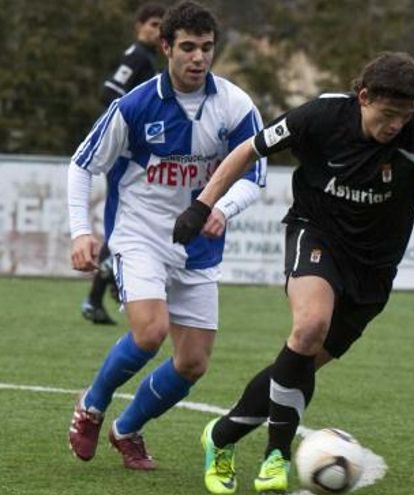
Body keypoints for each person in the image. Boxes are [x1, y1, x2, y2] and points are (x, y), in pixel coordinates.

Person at [172, 52, 414, 494]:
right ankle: (276, 456)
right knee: (308, 328)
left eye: (406, 115)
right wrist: (202, 204)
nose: (396, 125)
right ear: (363, 97)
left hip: (374, 272)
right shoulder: (322, 117)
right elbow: (249, 149)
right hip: (317, 233)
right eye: (388, 114)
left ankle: (221, 436)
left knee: (299, 365)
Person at [67, 1, 266, 471]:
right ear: (166, 47)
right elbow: (81, 165)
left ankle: (127, 429)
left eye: (207, 48)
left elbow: (254, 175)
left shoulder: (235, 106)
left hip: (197, 244)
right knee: (151, 331)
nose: (199, 58)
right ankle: (92, 405)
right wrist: (81, 232)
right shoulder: (135, 106)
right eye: (189, 48)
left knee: (193, 363)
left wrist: (223, 206)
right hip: (139, 234)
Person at [81, 2, 165, 325]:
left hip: (134, 154)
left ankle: (104, 293)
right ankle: (109, 289)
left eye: (161, 26)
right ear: (139, 26)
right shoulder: (137, 57)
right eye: (153, 24)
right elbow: (110, 91)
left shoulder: (147, 58)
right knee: (123, 224)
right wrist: (129, 124)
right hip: (125, 154)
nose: (157, 32)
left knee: (127, 222)